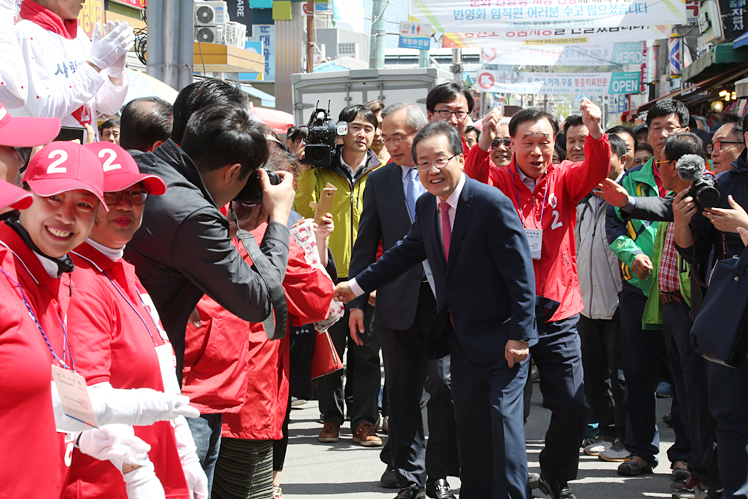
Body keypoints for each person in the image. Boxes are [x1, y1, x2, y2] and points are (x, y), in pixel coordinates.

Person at [336, 121, 538, 499]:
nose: (431, 170)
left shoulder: (490, 203)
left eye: (439, 160)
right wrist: (356, 286)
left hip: (502, 340)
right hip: (461, 338)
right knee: (473, 427)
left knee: (503, 428)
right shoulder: (429, 205)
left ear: (460, 159)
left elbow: (521, 275)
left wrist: (520, 334)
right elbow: (403, 254)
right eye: (423, 163)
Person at [125, 86, 296, 492]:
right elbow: (258, 301)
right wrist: (279, 219)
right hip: (163, 382)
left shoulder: (143, 168)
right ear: (232, 171)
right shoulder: (192, 213)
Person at [62, 142, 207, 499]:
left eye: (136, 193)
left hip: (157, 471)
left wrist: (185, 456)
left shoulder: (123, 270)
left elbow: (162, 379)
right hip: (109, 484)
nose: (126, 204)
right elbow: (85, 403)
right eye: (112, 194)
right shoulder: (81, 281)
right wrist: (137, 473)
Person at [486, 98, 608, 499]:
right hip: (510, 312)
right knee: (508, 410)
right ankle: (512, 485)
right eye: (527, 143)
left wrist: (595, 132)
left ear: (553, 143)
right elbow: (470, 174)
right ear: (513, 144)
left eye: (544, 142)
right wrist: (483, 139)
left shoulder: (566, 177)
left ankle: (555, 476)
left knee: (572, 404)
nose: (536, 152)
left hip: (560, 309)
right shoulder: (499, 180)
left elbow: (596, 170)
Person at [348, 102, 460, 499]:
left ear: (420, 134)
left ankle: (440, 474)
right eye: (387, 137)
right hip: (396, 301)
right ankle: (410, 478)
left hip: (444, 301)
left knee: (443, 387)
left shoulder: (450, 176)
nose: (392, 145)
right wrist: (356, 302)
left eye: (400, 136)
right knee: (401, 393)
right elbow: (366, 245)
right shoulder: (378, 182)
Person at [604, 100, 691, 479]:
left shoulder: (697, 178)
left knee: (685, 379)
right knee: (636, 375)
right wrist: (632, 253)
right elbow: (614, 227)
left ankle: (687, 454)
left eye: (670, 126)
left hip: (684, 295)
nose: (662, 134)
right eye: (656, 127)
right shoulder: (630, 179)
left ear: (684, 131)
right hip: (639, 289)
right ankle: (640, 450)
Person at [294, 103, 384, 447]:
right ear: (340, 132)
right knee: (329, 349)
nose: (362, 134)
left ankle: (364, 421)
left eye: (368, 128)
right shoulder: (319, 168)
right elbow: (302, 210)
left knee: (365, 351)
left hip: (368, 276)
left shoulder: (382, 170)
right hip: (327, 273)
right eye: (355, 127)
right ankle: (330, 418)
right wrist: (305, 168)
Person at [673, 113, 748, 499]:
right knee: (730, 418)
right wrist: (682, 222)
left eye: (723, 144)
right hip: (730, 316)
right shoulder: (724, 184)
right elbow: (693, 250)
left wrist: (745, 227)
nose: (715, 151)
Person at [575, 134, 626, 458]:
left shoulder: (629, 197)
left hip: (620, 301)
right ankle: (603, 430)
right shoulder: (582, 198)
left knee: (621, 375)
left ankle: (625, 435)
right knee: (592, 374)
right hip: (585, 303)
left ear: (621, 159)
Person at [11, 0, 133, 131]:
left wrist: (115, 70)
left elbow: (106, 106)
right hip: (52, 150)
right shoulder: (25, 34)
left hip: (84, 148)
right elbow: (44, 112)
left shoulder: (79, 36)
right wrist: (94, 65)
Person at [365, 99, 391, 166]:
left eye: (381, 126)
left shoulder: (398, 160)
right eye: (369, 127)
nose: (376, 133)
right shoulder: (354, 165)